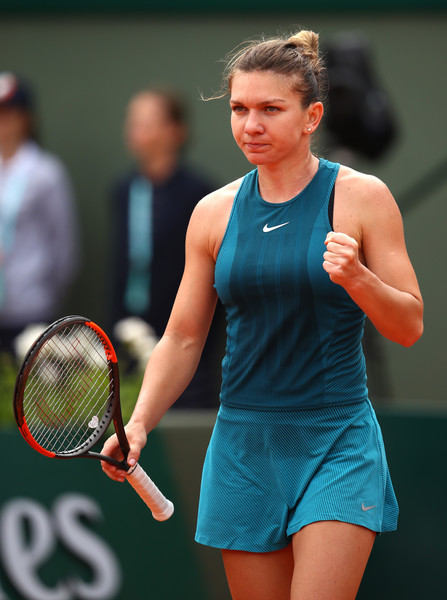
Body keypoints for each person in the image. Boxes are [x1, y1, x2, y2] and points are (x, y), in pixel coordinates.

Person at [101, 30, 423, 599]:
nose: (251, 125)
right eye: (239, 109)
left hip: (336, 440)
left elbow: (408, 325)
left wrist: (359, 279)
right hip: (245, 447)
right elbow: (181, 338)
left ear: (311, 116)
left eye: (270, 109)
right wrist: (140, 423)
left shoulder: (363, 198)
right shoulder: (212, 214)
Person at [109, 85, 221, 408]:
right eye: (132, 123)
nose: (135, 132)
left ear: (175, 131)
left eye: (146, 123)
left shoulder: (200, 194)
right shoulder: (123, 191)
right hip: (126, 340)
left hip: (186, 347)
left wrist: (193, 344)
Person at [0, 72, 79, 355]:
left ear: (26, 119)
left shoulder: (46, 173)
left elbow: (64, 247)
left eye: (9, 114)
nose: (3, 123)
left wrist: (41, 291)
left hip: (30, 309)